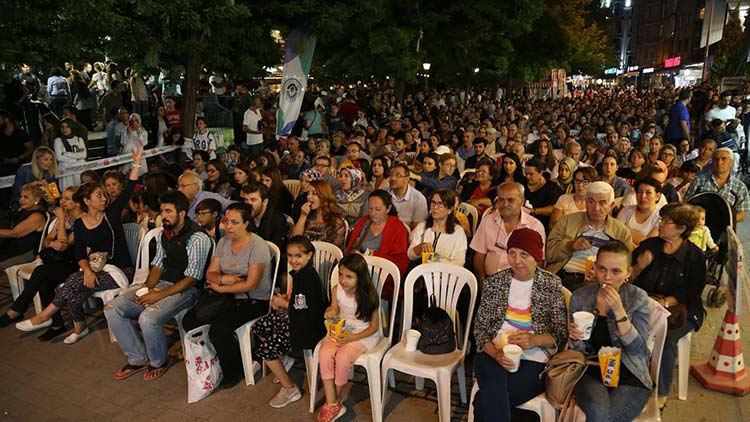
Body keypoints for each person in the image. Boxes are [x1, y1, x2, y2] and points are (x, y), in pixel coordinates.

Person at [16, 145, 143, 343]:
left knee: (72, 282)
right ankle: (80, 327)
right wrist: (88, 271)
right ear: (87, 201)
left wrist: (136, 162)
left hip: (121, 270)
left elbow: (130, 188)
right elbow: (80, 253)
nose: (104, 198)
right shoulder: (80, 225)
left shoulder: (112, 213)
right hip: (96, 269)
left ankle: (44, 316)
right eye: (99, 196)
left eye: (104, 195)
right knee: (74, 289)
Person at [104, 190, 212, 381]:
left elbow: (193, 278)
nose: (164, 216)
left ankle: (159, 361)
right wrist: (146, 289)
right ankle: (137, 358)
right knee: (112, 308)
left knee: (148, 317)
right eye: (162, 211)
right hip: (164, 285)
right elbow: (158, 265)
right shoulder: (165, 233)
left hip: (188, 290)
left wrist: (158, 295)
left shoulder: (197, 237)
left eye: (169, 211)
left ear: (182, 213)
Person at [472, 228, 568, 421]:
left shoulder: (551, 284)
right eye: (512, 253)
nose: (517, 261)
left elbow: (560, 333)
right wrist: (496, 353)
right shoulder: (495, 282)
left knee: (484, 400)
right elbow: (480, 329)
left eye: (524, 254)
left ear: (536, 257)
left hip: (535, 358)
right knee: (493, 387)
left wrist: (535, 339)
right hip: (493, 351)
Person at [181, 202, 273, 389]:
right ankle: (214, 359)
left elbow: (251, 284)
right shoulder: (223, 242)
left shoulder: (258, 246)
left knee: (219, 329)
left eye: (234, 222)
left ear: (246, 223)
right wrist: (225, 279)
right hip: (228, 297)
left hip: (254, 300)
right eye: (226, 221)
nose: (228, 226)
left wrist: (221, 286)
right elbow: (210, 273)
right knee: (190, 320)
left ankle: (234, 370)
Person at [631, 204, 706, 410]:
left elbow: (693, 291)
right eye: (661, 219)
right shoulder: (650, 246)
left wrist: (665, 302)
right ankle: (630, 380)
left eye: (666, 221)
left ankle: (661, 393)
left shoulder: (694, 256)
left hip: (681, 309)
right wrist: (639, 267)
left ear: (682, 228)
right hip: (647, 303)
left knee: (668, 337)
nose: (660, 224)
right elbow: (628, 276)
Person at [568, 241, 653, 421]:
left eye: (616, 271)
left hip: (629, 370)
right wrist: (574, 338)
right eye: (602, 269)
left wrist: (620, 311)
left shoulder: (638, 298)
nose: (607, 277)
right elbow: (577, 351)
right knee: (599, 414)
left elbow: (638, 349)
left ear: (628, 272)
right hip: (591, 368)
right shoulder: (581, 297)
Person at [0, 186, 82, 340]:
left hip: (76, 263)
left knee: (41, 272)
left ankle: (16, 310)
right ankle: (56, 324)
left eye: (67, 199)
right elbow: (47, 241)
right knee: (44, 281)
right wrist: (53, 240)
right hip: (59, 262)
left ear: (77, 202)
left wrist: (61, 220)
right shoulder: (62, 219)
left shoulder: (81, 220)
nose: (62, 202)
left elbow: (64, 244)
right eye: (62, 198)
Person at [254, 236, 326, 408]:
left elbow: (301, 308)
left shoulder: (307, 278)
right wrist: (285, 301)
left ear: (309, 255)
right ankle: (283, 359)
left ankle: (290, 388)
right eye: (290, 255)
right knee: (259, 326)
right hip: (296, 319)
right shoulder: (301, 273)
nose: (293, 260)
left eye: (298, 256)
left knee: (266, 349)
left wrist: (283, 303)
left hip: (306, 327)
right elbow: (296, 302)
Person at [316, 253, 381, 422]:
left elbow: (374, 327)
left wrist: (353, 338)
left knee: (343, 356)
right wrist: (330, 311)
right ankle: (333, 403)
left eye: (349, 276)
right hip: (341, 330)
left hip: (363, 335)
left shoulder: (369, 297)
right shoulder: (337, 290)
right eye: (341, 275)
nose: (343, 280)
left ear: (360, 277)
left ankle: (333, 400)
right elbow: (334, 309)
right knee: (324, 354)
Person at [546, 181, 632, 291]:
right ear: (586, 202)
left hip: (603, 283)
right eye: (591, 202)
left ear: (611, 206)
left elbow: (625, 266)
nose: (596, 208)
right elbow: (549, 254)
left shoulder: (621, 232)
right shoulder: (568, 221)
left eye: (602, 203)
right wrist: (570, 246)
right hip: (567, 276)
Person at [470, 182, 546, 285]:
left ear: (521, 201)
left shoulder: (534, 226)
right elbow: (479, 256)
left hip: (519, 284)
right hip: (490, 281)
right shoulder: (488, 221)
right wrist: (482, 283)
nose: (505, 204)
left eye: (510, 200)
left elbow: (539, 262)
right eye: (501, 200)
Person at [346, 189, 410, 279]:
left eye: (378, 209)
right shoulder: (363, 222)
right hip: (357, 273)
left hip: (381, 277)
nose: (373, 213)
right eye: (370, 208)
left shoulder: (398, 228)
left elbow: (400, 262)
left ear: (388, 208)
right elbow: (350, 249)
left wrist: (372, 255)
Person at [685, 147, 750, 222]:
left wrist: (722, 221)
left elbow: (741, 214)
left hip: (725, 229)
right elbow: (687, 204)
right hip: (699, 227)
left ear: (731, 162)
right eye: (716, 159)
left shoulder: (740, 187)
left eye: (724, 159)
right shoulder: (699, 181)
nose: (719, 162)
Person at [408, 189, 468, 266]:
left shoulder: (458, 232)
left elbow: (460, 262)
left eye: (440, 204)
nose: (435, 207)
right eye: (433, 202)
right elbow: (410, 255)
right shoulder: (422, 226)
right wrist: (420, 247)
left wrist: (437, 265)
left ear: (450, 209)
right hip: (424, 271)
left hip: (447, 273)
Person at [0, 184, 47, 270]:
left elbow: (14, 233)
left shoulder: (37, 216)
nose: (21, 200)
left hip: (25, 252)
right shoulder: (23, 211)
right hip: (11, 248)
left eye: (26, 197)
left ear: (37, 200)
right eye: (21, 197)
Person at [290, 180, 347, 251]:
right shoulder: (308, 215)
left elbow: (336, 250)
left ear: (324, 195)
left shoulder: (336, 221)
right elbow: (295, 240)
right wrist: (303, 216)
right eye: (308, 193)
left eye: (314, 193)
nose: (309, 197)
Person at [616, 178, 663, 247]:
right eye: (639, 192)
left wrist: (626, 230)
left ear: (657, 196)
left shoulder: (661, 216)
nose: (643, 196)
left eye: (648, 193)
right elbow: (615, 233)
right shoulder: (626, 210)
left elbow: (648, 244)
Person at [241, 182, 287, 251]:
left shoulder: (277, 219)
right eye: (246, 200)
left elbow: (276, 249)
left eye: (253, 200)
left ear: (265, 202)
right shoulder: (243, 216)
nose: (249, 204)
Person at [524, 158, 562, 230]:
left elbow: (555, 208)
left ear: (541, 173)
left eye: (531, 174)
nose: (527, 177)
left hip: (543, 225)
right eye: (526, 173)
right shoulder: (522, 183)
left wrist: (534, 211)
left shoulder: (552, 188)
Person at [388, 163, 428, 229]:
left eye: (398, 175)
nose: (393, 178)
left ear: (407, 179)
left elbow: (418, 228)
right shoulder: (383, 193)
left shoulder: (418, 199)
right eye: (391, 175)